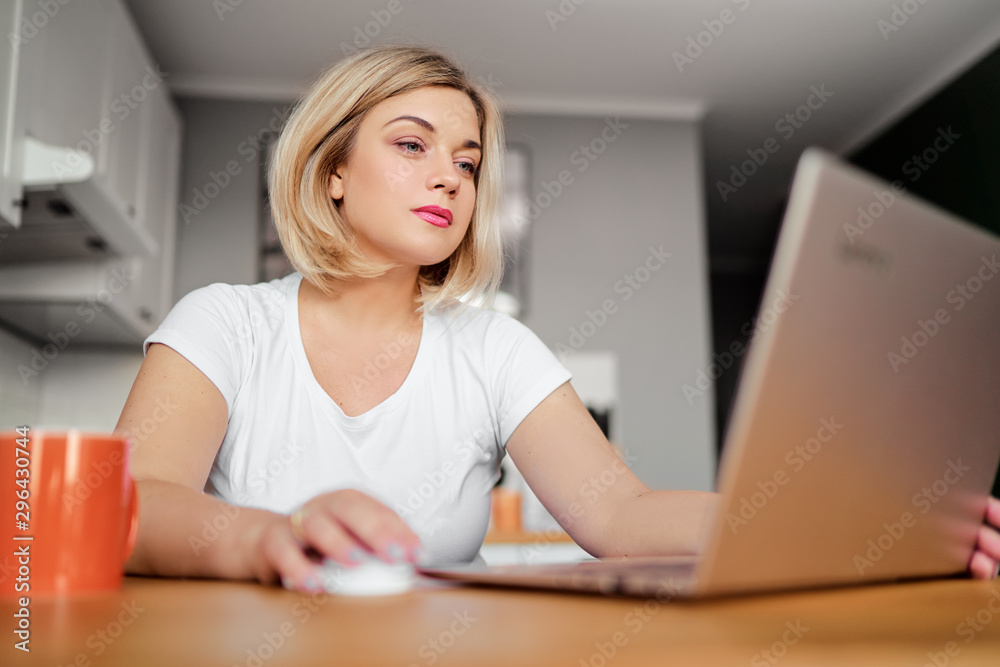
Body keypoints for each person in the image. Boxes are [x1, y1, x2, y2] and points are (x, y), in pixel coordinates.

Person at [117, 45, 1000, 594]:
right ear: (331, 169)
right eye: (413, 144)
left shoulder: (493, 346)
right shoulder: (225, 324)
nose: (452, 179)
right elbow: (137, 504)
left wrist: (856, 529)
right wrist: (272, 535)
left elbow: (622, 511)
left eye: (467, 162)